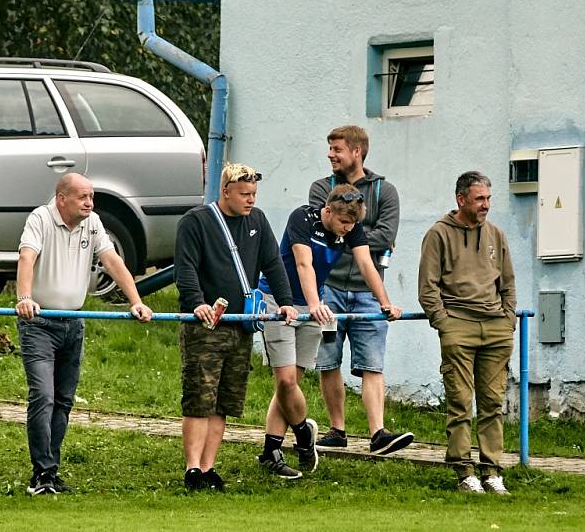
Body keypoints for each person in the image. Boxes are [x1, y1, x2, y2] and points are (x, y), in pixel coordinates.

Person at [16, 172, 153, 496]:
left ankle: (50, 470)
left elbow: (113, 261)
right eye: (83, 197)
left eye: (91, 197)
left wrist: (136, 302)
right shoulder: (40, 218)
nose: (90, 203)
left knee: (62, 400)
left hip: (73, 322)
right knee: (43, 397)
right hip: (39, 323)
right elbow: (26, 257)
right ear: (62, 198)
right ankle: (42, 473)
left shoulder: (93, 223)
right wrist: (24, 298)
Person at [257, 183, 402, 478]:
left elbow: (366, 264)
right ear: (327, 210)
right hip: (279, 300)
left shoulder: (351, 228)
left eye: (352, 225)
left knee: (291, 382)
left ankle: (272, 450)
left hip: (313, 305)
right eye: (343, 223)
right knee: (285, 380)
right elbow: (303, 264)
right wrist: (314, 304)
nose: (347, 230)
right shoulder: (303, 218)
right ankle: (301, 434)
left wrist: (385, 303)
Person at [174, 162, 297, 491]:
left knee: (225, 401)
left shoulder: (257, 221)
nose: (251, 200)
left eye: (254, 194)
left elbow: (273, 262)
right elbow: (185, 266)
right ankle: (192, 469)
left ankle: (209, 466)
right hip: (206, 325)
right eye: (244, 194)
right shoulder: (196, 221)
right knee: (200, 398)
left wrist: (284, 300)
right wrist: (195, 302)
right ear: (225, 191)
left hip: (241, 324)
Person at [308, 125, 414, 455]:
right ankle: (336, 430)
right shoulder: (319, 188)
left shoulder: (385, 191)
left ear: (357, 152)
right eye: (329, 149)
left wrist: (347, 233)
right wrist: (360, 234)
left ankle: (378, 433)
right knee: (328, 361)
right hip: (328, 289)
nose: (330, 155)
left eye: (337, 149)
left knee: (372, 363)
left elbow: (387, 235)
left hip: (370, 292)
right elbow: (321, 230)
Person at [417, 171, 516, 495]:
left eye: (488, 198)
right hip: (458, 326)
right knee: (460, 402)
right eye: (479, 199)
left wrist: (508, 319)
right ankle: (464, 471)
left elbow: (508, 282)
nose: (486, 204)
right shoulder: (439, 235)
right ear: (461, 200)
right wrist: (445, 324)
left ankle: (492, 471)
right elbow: (428, 287)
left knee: (493, 403)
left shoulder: (496, 235)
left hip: (495, 329)